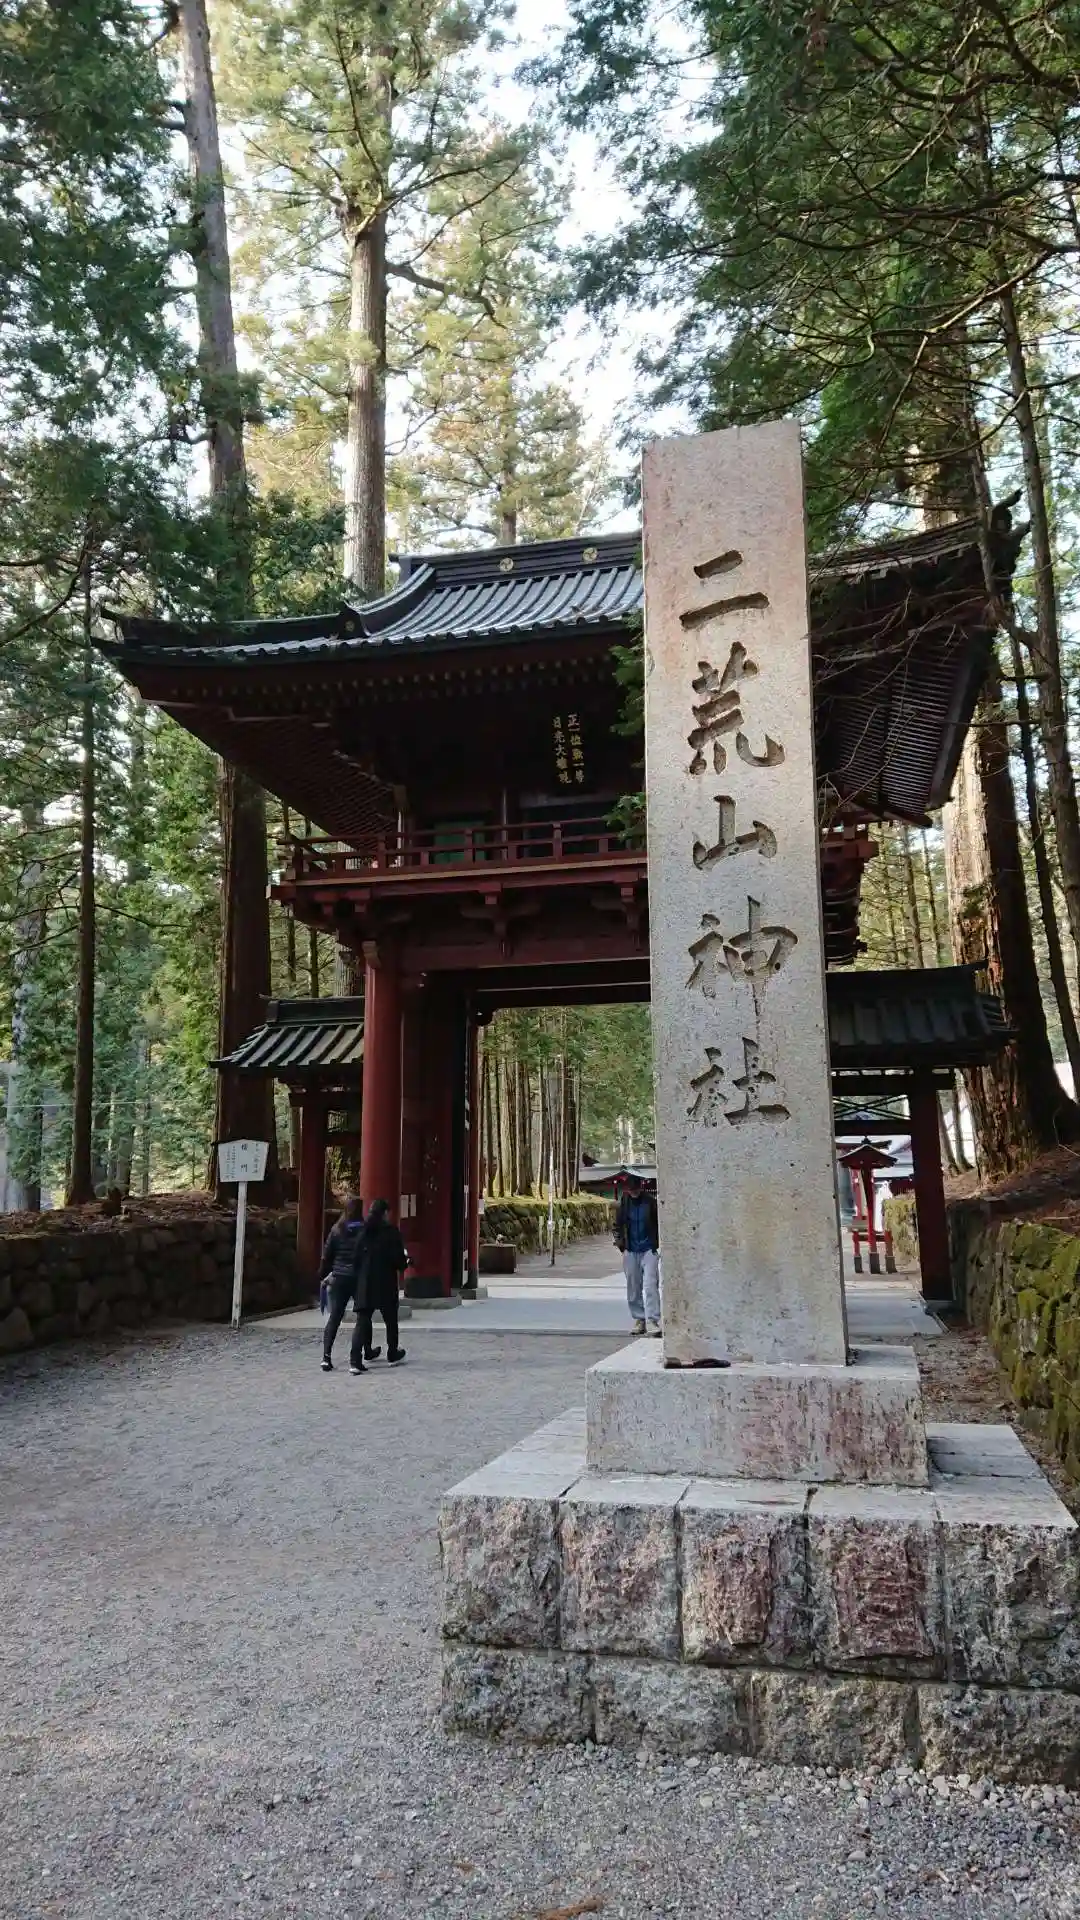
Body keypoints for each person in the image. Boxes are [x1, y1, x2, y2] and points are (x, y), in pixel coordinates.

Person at [354, 1197, 408, 1369]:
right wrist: (405, 1263)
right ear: (385, 1213)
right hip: (386, 1282)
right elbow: (399, 1260)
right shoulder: (391, 1232)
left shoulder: (363, 1231)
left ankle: (362, 1353)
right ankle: (392, 1352)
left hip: (366, 1281)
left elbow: (355, 1257)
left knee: (364, 1319)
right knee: (390, 1320)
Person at [320, 1196, 365, 1373]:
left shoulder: (336, 1229)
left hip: (339, 1277)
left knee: (335, 1317)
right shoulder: (365, 1230)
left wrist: (323, 1275)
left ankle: (326, 1357)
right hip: (359, 1277)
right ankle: (355, 1361)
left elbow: (327, 1255)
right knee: (362, 1317)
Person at [614, 1174, 661, 1336]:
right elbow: (617, 1225)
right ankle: (639, 1319)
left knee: (650, 1285)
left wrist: (656, 1244)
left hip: (648, 1249)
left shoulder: (650, 1202)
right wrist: (621, 1245)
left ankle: (652, 1320)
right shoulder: (624, 1203)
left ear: (641, 1187)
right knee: (633, 1287)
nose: (633, 1192)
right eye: (631, 1189)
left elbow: (658, 1223)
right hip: (631, 1249)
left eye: (636, 1189)